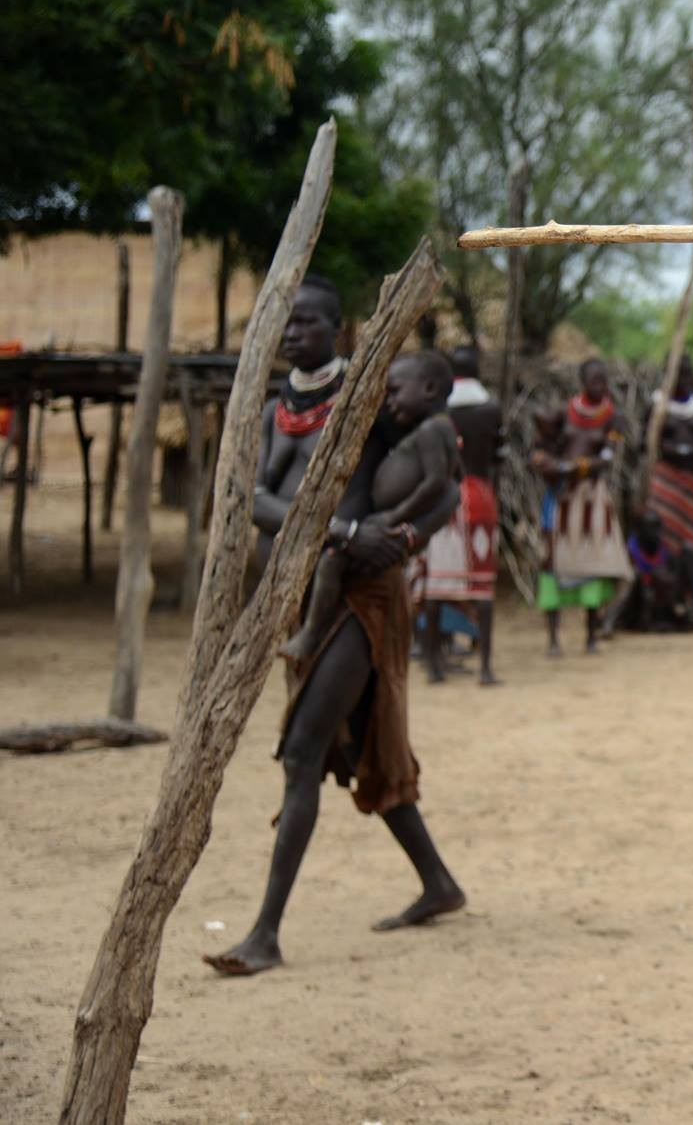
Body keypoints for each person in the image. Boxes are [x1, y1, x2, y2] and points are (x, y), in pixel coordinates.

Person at [205, 282, 465, 977]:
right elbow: (255, 499)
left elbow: (451, 482)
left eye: (310, 320)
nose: (295, 333)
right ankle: (439, 884)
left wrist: (405, 538)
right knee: (352, 752)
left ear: (336, 326)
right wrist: (341, 527)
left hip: (361, 598)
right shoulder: (271, 413)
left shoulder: (368, 401)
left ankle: (264, 933)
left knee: (303, 752)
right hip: (301, 598)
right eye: (285, 323)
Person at [284, 355, 460, 664]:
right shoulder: (431, 429)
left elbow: (437, 485)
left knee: (332, 563)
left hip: (385, 524)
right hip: (379, 523)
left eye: (395, 391)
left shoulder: (434, 430)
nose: (389, 402)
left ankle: (311, 634)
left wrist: (394, 517)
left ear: (429, 389)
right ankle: (312, 634)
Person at [419, 344, 503, 684]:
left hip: (442, 498)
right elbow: (498, 455)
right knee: (481, 588)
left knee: (436, 585)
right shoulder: (490, 409)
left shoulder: (435, 412)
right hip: (480, 496)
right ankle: (484, 668)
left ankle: (434, 666)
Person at [538, 360, 633, 655]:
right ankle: (553, 638)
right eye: (594, 379)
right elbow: (540, 449)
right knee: (552, 563)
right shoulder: (561, 414)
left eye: (604, 380)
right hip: (561, 497)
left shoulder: (612, 419)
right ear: (582, 380)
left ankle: (591, 635)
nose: (600, 385)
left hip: (592, 499)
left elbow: (607, 457)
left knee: (594, 563)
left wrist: (576, 467)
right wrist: (549, 465)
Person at [648, 360, 693, 631]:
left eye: (688, 374)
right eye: (678, 374)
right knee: (664, 543)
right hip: (665, 481)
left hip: (689, 483)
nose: (683, 379)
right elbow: (646, 440)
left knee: (690, 547)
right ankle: (663, 611)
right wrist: (675, 448)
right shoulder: (657, 405)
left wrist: (688, 449)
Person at [620, 511, 683, 632]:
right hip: (636, 601)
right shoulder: (630, 550)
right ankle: (610, 621)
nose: (655, 532)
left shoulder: (664, 550)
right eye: (650, 527)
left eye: (657, 527)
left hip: (658, 598)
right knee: (637, 581)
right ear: (641, 529)